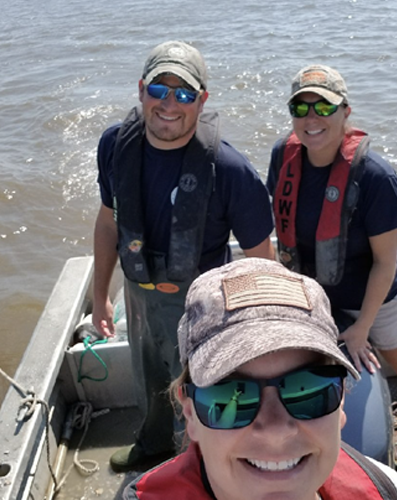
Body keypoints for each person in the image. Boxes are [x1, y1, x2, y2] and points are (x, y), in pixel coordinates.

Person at [264, 64, 397, 488]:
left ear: (346, 112)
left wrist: (361, 329)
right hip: (316, 294)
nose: (311, 117)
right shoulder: (282, 157)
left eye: (324, 106)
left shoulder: (376, 176)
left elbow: (386, 262)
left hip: (376, 297)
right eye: (300, 107)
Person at [94, 40, 276, 470]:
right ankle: (153, 445)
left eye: (184, 93)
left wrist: (260, 339)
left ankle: (203, 470)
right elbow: (107, 223)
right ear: (141, 91)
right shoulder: (114, 146)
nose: (169, 104)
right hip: (138, 295)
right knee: (149, 381)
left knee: (203, 395)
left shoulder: (229, 170)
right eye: (159, 90)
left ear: (202, 100)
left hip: (201, 305)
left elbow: (262, 261)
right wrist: (100, 294)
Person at [118, 258, 397, 499]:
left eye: (307, 391)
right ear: (190, 413)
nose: (275, 431)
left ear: (341, 399)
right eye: (232, 397)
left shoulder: (389, 491)